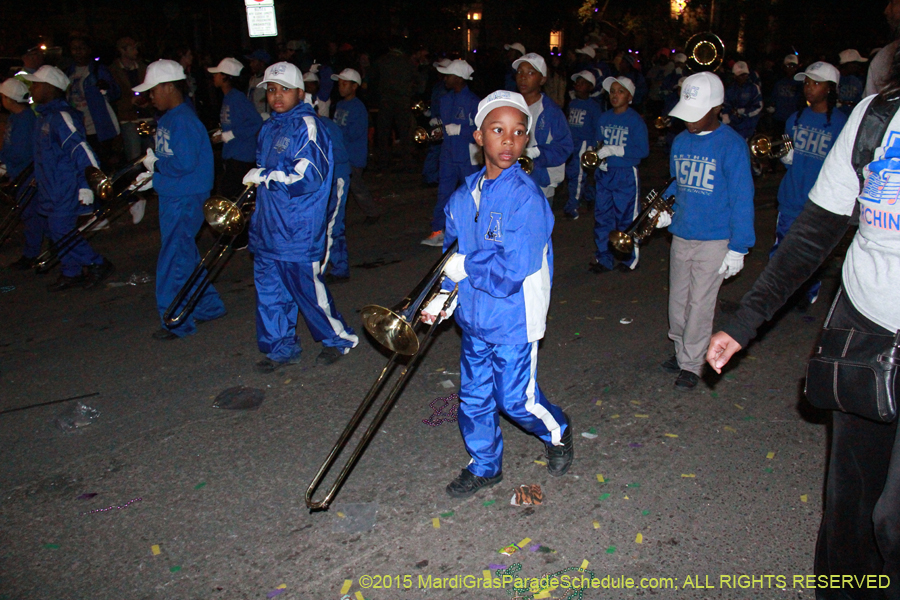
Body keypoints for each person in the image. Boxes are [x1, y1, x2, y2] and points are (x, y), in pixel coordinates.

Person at [706, 54, 900, 594]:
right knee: (849, 512)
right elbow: (812, 235)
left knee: (893, 520)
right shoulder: (876, 118)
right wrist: (746, 322)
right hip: (866, 329)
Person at [420, 90, 573, 499]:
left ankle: (558, 431)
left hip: (514, 318)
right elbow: (454, 257)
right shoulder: (462, 196)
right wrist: (442, 298)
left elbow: (510, 272)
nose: (509, 141)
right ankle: (485, 465)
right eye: (498, 130)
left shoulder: (527, 198)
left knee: (514, 399)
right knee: (473, 398)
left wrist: (464, 268)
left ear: (526, 140)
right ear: (479, 136)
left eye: (519, 132)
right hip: (474, 317)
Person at [242, 62, 358, 373]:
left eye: (284, 90)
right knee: (270, 293)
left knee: (308, 292)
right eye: (271, 90)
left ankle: (339, 339)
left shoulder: (308, 125)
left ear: (300, 92)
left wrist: (265, 176)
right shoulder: (270, 127)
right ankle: (281, 348)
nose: (276, 96)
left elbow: (309, 177)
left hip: (297, 229)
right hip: (269, 227)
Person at [655, 72, 755, 390]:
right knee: (678, 300)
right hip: (683, 234)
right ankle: (681, 348)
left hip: (715, 238)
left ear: (716, 108)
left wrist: (739, 247)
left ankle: (692, 362)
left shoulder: (732, 145)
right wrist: (666, 212)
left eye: (695, 113)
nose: (688, 121)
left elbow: (742, 198)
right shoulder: (682, 141)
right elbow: (677, 183)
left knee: (700, 303)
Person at [133, 59, 226, 340]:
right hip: (177, 194)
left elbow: (183, 164)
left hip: (184, 197)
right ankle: (208, 307)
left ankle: (176, 320)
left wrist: (156, 168)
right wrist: (154, 174)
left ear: (169, 87)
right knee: (183, 254)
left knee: (173, 260)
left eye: (153, 90)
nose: (150, 96)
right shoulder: (172, 118)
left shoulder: (182, 120)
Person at [25, 66, 115, 291]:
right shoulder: (44, 117)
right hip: (51, 188)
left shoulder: (61, 117)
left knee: (62, 230)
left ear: (49, 88)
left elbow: (81, 151)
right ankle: (71, 270)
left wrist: (87, 184)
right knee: (55, 230)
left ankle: (97, 263)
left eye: (36, 84)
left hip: (65, 187)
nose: (33, 89)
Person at [773, 61, 847, 309]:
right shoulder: (794, 119)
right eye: (806, 83)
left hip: (820, 202)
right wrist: (786, 157)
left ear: (830, 89)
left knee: (811, 253)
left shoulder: (841, 123)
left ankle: (808, 292)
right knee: (782, 250)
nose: (809, 88)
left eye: (816, 83)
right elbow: (789, 158)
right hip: (791, 196)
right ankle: (779, 294)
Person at [590, 76, 649, 273]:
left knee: (627, 217)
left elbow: (642, 150)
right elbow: (598, 144)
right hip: (605, 173)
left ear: (630, 97)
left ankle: (629, 258)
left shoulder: (635, 120)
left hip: (625, 175)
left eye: (620, 91)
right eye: (612, 91)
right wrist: (599, 159)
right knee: (603, 216)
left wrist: (617, 150)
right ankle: (604, 258)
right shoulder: (604, 118)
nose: (615, 95)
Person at [421, 59, 480, 247]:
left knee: (473, 196)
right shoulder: (445, 99)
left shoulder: (473, 102)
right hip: (448, 154)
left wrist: (461, 130)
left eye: (449, 75)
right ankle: (438, 231)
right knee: (443, 194)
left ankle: (477, 233)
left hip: (468, 156)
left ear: (460, 79)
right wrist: (438, 129)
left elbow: (482, 131)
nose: (445, 78)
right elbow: (446, 126)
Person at [0, 78, 47, 270]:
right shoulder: (16, 118)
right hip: (20, 171)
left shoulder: (26, 120)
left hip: (27, 174)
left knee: (31, 215)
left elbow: (21, 152)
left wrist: (5, 158)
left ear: (10, 99)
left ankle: (32, 253)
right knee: (33, 214)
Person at [514, 53, 573, 203]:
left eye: (530, 73)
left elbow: (564, 147)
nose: (523, 77)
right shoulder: (510, 107)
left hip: (539, 184)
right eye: (520, 72)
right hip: (513, 182)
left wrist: (537, 152)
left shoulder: (551, 111)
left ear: (543, 79)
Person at [332, 68, 381, 224]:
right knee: (338, 186)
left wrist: (336, 135)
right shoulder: (340, 104)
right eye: (339, 83)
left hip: (353, 155)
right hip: (340, 154)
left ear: (354, 87)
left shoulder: (358, 107)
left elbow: (354, 133)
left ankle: (372, 212)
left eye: (345, 83)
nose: (341, 87)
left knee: (357, 187)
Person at [208, 58, 263, 198]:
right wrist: (221, 134)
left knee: (231, 196)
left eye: (217, 73)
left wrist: (229, 135)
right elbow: (234, 122)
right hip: (233, 154)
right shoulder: (228, 97)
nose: (214, 77)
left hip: (241, 156)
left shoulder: (237, 98)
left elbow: (256, 121)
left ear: (226, 77)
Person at [66, 36, 121, 169]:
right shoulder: (68, 72)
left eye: (82, 48)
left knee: (102, 164)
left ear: (89, 50)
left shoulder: (98, 70)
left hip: (98, 127)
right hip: (78, 127)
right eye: (74, 48)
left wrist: (106, 87)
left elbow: (115, 93)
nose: (78, 52)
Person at [563, 70, 603, 221]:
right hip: (571, 143)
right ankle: (590, 195)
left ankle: (572, 207)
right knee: (575, 174)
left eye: (582, 83)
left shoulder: (593, 106)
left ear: (590, 87)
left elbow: (598, 128)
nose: (577, 85)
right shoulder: (573, 103)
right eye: (577, 83)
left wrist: (593, 147)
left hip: (584, 145)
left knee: (577, 176)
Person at [109, 37, 148, 162]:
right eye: (132, 48)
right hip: (128, 119)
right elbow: (111, 97)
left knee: (152, 154)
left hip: (147, 117)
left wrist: (147, 101)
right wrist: (130, 101)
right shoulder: (112, 71)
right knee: (135, 158)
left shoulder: (143, 67)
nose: (136, 51)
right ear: (122, 50)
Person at [722, 61, 763, 140]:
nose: (743, 77)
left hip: (748, 125)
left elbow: (758, 106)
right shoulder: (730, 89)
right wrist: (725, 115)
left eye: (745, 75)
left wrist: (743, 111)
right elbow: (726, 105)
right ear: (735, 76)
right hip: (733, 125)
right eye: (741, 75)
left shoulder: (753, 88)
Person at [767, 55, 804, 135]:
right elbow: (773, 98)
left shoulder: (800, 84)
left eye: (792, 66)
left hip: (793, 119)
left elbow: (802, 102)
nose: (790, 68)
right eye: (788, 66)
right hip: (779, 118)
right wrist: (771, 107)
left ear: (796, 68)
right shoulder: (779, 82)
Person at [837, 49, 868, 116]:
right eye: (856, 64)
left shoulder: (857, 80)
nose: (858, 66)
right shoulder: (835, 78)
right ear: (848, 64)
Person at [245, 49, 271, 118]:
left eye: (253, 61)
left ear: (262, 63)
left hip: (264, 118)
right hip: (253, 118)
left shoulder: (268, 80)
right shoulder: (252, 79)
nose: (251, 65)